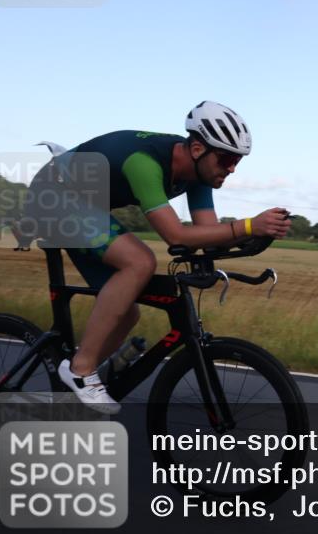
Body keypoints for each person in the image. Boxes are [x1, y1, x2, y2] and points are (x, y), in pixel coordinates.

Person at [30, 101, 291, 413]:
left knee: (126, 311)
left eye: (237, 160)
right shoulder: (145, 162)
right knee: (139, 262)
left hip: (85, 203)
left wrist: (256, 236)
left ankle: (73, 385)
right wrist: (249, 224)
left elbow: (209, 234)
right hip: (54, 195)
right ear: (197, 149)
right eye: (227, 158)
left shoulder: (198, 176)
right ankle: (80, 371)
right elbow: (176, 236)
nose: (232, 168)